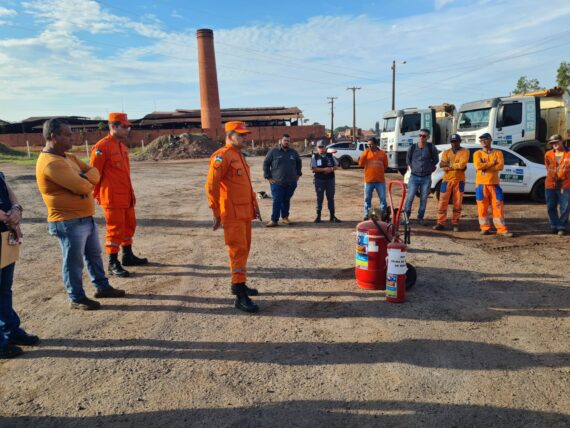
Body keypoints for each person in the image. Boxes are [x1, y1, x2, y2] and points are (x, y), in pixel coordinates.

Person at [36, 118, 125, 311]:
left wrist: (85, 178)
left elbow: (94, 173)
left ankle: (102, 287)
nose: (72, 137)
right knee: (73, 261)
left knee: (93, 255)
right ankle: (76, 297)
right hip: (68, 221)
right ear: (53, 136)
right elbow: (82, 186)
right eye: (67, 134)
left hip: (84, 217)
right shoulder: (51, 163)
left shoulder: (68, 158)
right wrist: (85, 180)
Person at [206, 121, 261, 313]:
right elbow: (211, 186)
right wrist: (215, 211)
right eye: (241, 135)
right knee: (237, 251)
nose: (245, 138)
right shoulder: (222, 156)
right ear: (229, 136)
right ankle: (239, 296)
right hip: (232, 214)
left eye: (245, 135)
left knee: (244, 250)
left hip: (245, 212)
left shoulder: (238, 155)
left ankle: (239, 284)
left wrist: (254, 206)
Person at [90, 112, 147, 278]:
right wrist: (96, 195)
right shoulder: (101, 148)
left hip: (127, 196)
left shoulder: (122, 146)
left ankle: (127, 255)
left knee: (129, 226)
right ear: (113, 126)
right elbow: (94, 175)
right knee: (114, 230)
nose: (127, 129)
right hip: (112, 198)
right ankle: (112, 262)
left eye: (128, 126)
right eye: (124, 126)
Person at [0, 173, 38, 359]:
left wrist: (15, 209)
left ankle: (10, 331)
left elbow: (7, 190)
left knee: (5, 289)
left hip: (5, 235)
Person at [473, 133, 513, 237]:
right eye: (481, 140)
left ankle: (501, 229)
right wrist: (492, 163)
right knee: (482, 208)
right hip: (481, 185)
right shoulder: (477, 154)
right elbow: (478, 166)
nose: (483, 142)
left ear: (490, 140)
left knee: (498, 207)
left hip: (494, 184)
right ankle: (484, 228)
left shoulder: (498, 153)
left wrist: (485, 167)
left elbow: (500, 167)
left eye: (485, 139)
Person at [263, 134, 302, 226]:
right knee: (277, 200)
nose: (286, 142)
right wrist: (268, 177)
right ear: (281, 141)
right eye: (285, 140)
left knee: (286, 200)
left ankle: (285, 217)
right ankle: (274, 220)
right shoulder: (273, 151)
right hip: (277, 182)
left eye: (288, 141)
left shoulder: (293, 152)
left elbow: (299, 163)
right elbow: (266, 164)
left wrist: (298, 174)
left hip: (291, 183)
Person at [433, 133, 469, 232]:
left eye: (456, 141)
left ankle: (455, 223)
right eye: (452, 142)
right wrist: (455, 166)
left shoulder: (465, 152)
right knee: (442, 202)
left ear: (459, 141)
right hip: (446, 180)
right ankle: (440, 223)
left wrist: (449, 164)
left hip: (459, 180)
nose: (454, 144)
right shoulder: (446, 152)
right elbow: (442, 166)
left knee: (457, 202)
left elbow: (462, 165)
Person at [404, 128, 439, 225]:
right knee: (410, 198)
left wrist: (429, 168)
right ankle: (406, 218)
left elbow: (435, 160)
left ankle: (420, 218)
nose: (421, 137)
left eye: (424, 136)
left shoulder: (431, 148)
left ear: (428, 137)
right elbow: (408, 160)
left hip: (426, 178)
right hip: (414, 177)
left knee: (423, 199)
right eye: (420, 135)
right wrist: (413, 167)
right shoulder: (412, 148)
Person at [544, 134, 570, 236]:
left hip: (565, 185)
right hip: (550, 184)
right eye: (552, 143)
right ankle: (554, 225)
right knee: (551, 206)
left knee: (565, 207)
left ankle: (562, 226)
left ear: (561, 141)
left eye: (556, 142)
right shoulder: (548, 154)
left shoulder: (568, 154)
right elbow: (548, 167)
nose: (554, 144)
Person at [359, 136, 388, 220]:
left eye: (371, 144)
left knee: (382, 199)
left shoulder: (382, 153)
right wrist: (365, 152)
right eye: (368, 145)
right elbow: (360, 164)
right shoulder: (366, 152)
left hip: (380, 180)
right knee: (367, 199)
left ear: (375, 144)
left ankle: (383, 214)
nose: (369, 146)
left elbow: (385, 165)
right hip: (368, 180)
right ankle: (367, 214)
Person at [311, 140, 341, 223]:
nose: (321, 148)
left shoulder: (330, 155)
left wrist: (331, 169)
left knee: (330, 198)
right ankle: (318, 216)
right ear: (317, 148)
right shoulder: (315, 156)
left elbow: (337, 165)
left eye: (323, 147)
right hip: (319, 180)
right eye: (319, 147)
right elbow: (313, 168)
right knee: (319, 198)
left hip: (330, 180)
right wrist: (324, 169)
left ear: (325, 147)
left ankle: (332, 216)